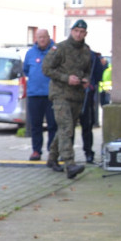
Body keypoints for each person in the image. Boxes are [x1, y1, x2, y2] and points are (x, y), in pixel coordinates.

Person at [42, 20, 93, 179]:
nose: (78, 34)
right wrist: (66, 78)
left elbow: (87, 70)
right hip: (60, 94)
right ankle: (70, 164)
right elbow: (46, 68)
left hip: (77, 96)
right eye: (76, 30)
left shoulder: (86, 50)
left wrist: (85, 80)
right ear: (71, 31)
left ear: (85, 34)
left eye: (82, 32)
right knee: (67, 128)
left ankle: (52, 158)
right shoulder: (61, 48)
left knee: (64, 129)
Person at [23, 29, 57, 162]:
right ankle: (36, 151)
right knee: (35, 125)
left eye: (44, 37)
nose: (42, 39)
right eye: (39, 37)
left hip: (51, 95)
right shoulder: (30, 53)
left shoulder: (56, 51)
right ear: (36, 39)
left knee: (52, 125)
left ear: (49, 37)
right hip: (34, 94)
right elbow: (26, 70)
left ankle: (52, 151)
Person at [80, 51, 109, 164]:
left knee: (87, 125)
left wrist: (91, 84)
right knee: (69, 126)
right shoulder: (66, 51)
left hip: (87, 94)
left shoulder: (92, 55)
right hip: (71, 95)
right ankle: (67, 154)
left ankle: (88, 152)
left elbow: (98, 75)